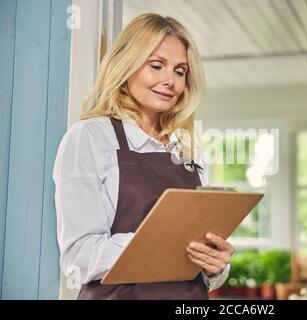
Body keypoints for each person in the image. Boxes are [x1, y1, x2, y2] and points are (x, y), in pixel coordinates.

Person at [53, 13, 233, 300]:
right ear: (127, 65)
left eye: (180, 71)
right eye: (156, 66)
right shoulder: (89, 138)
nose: (170, 81)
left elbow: (202, 265)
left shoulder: (190, 149)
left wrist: (214, 266)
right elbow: (79, 258)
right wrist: (160, 241)